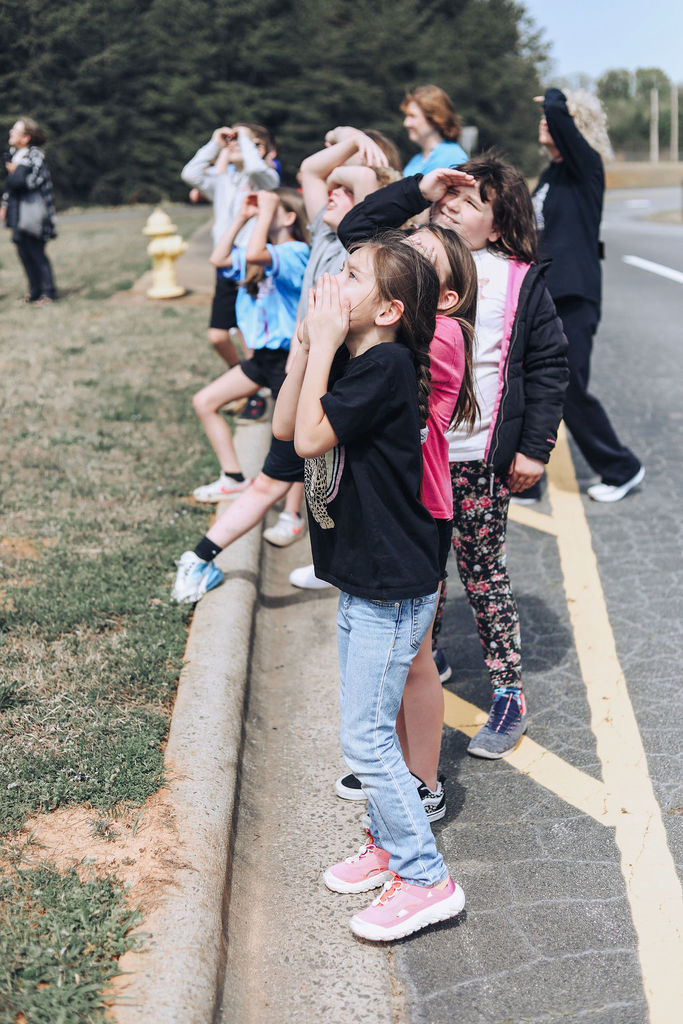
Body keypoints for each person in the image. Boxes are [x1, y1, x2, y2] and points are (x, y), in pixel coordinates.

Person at [335, 154, 569, 759]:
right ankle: (423, 668)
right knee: (423, 578)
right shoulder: (413, 261)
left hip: (480, 459)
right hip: (414, 457)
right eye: (448, 196)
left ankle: (508, 692)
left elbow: (546, 366)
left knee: (483, 574)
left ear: (497, 224)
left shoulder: (518, 278)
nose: (451, 205)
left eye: (469, 201)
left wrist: (534, 448)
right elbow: (354, 232)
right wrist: (420, 186)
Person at [272, 236, 466, 941]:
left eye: (350, 275)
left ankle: (424, 877)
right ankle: (387, 842)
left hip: (390, 582)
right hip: (366, 577)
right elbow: (286, 426)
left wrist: (322, 343)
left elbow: (312, 443)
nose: (334, 279)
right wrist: (307, 346)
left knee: (364, 738)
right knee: (370, 724)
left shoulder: (385, 362)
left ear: (387, 310)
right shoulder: (361, 358)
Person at [334, 224, 478, 821]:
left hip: (417, 508)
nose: (402, 256)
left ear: (436, 296)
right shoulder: (393, 341)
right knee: (397, 654)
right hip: (393, 505)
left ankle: (422, 779)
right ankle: (390, 758)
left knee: (413, 655)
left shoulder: (436, 337)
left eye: (418, 257)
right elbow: (355, 233)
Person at [171, 188, 310, 602]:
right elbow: (219, 260)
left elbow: (253, 257)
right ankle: (233, 477)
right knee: (205, 400)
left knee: (293, 443)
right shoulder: (260, 251)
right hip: (262, 358)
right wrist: (241, 217)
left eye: (273, 212)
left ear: (288, 216)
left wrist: (263, 211)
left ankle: (291, 515)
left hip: (289, 359)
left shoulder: (297, 251)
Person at [531, 88, 644, 503]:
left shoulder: (585, 167)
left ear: (575, 126)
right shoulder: (550, 175)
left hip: (574, 296)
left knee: (569, 388)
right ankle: (529, 481)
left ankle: (622, 468)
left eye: (557, 117)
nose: (546, 119)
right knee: (532, 386)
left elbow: (558, 115)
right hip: (544, 296)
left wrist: (556, 100)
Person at [181, 123, 279, 370]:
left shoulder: (266, 177)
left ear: (266, 151)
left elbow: (255, 166)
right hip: (225, 263)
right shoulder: (224, 181)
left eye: (250, 142)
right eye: (234, 140)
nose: (238, 144)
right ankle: (240, 374)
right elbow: (190, 174)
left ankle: (255, 386)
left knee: (249, 332)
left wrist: (244, 138)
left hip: (253, 263)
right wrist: (215, 143)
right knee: (218, 335)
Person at [1, 117, 57, 305]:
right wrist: (4, 204)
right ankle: (34, 292)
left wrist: (16, 173)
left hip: (33, 213)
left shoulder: (34, 156)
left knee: (36, 252)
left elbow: (27, 183)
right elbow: (12, 188)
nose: (10, 132)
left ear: (26, 138)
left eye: (15, 130)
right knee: (24, 253)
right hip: (18, 213)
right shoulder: (14, 155)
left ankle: (48, 292)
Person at [401, 85, 468, 177]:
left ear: (434, 119)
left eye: (412, 116)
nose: (406, 123)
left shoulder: (453, 157)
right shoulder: (416, 160)